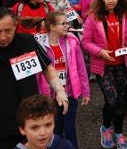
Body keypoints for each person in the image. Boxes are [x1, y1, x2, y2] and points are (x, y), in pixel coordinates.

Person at [0, 8, 68, 149]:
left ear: (15, 26)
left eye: (8, 30)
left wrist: (60, 90)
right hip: (1, 127)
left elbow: (47, 68)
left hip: (33, 122)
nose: (3, 36)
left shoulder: (28, 42)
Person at [82, 0, 127, 149]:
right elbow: (86, 42)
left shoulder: (126, 14)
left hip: (123, 63)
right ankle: (106, 128)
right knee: (112, 100)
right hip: (103, 66)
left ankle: (119, 133)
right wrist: (100, 52)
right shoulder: (93, 17)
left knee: (121, 101)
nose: (111, 1)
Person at [37, 12, 90, 148]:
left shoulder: (72, 42)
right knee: (56, 129)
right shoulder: (39, 45)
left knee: (69, 127)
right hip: (49, 96)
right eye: (64, 23)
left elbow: (81, 68)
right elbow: (37, 75)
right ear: (52, 26)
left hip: (70, 93)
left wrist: (86, 92)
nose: (68, 25)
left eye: (67, 23)